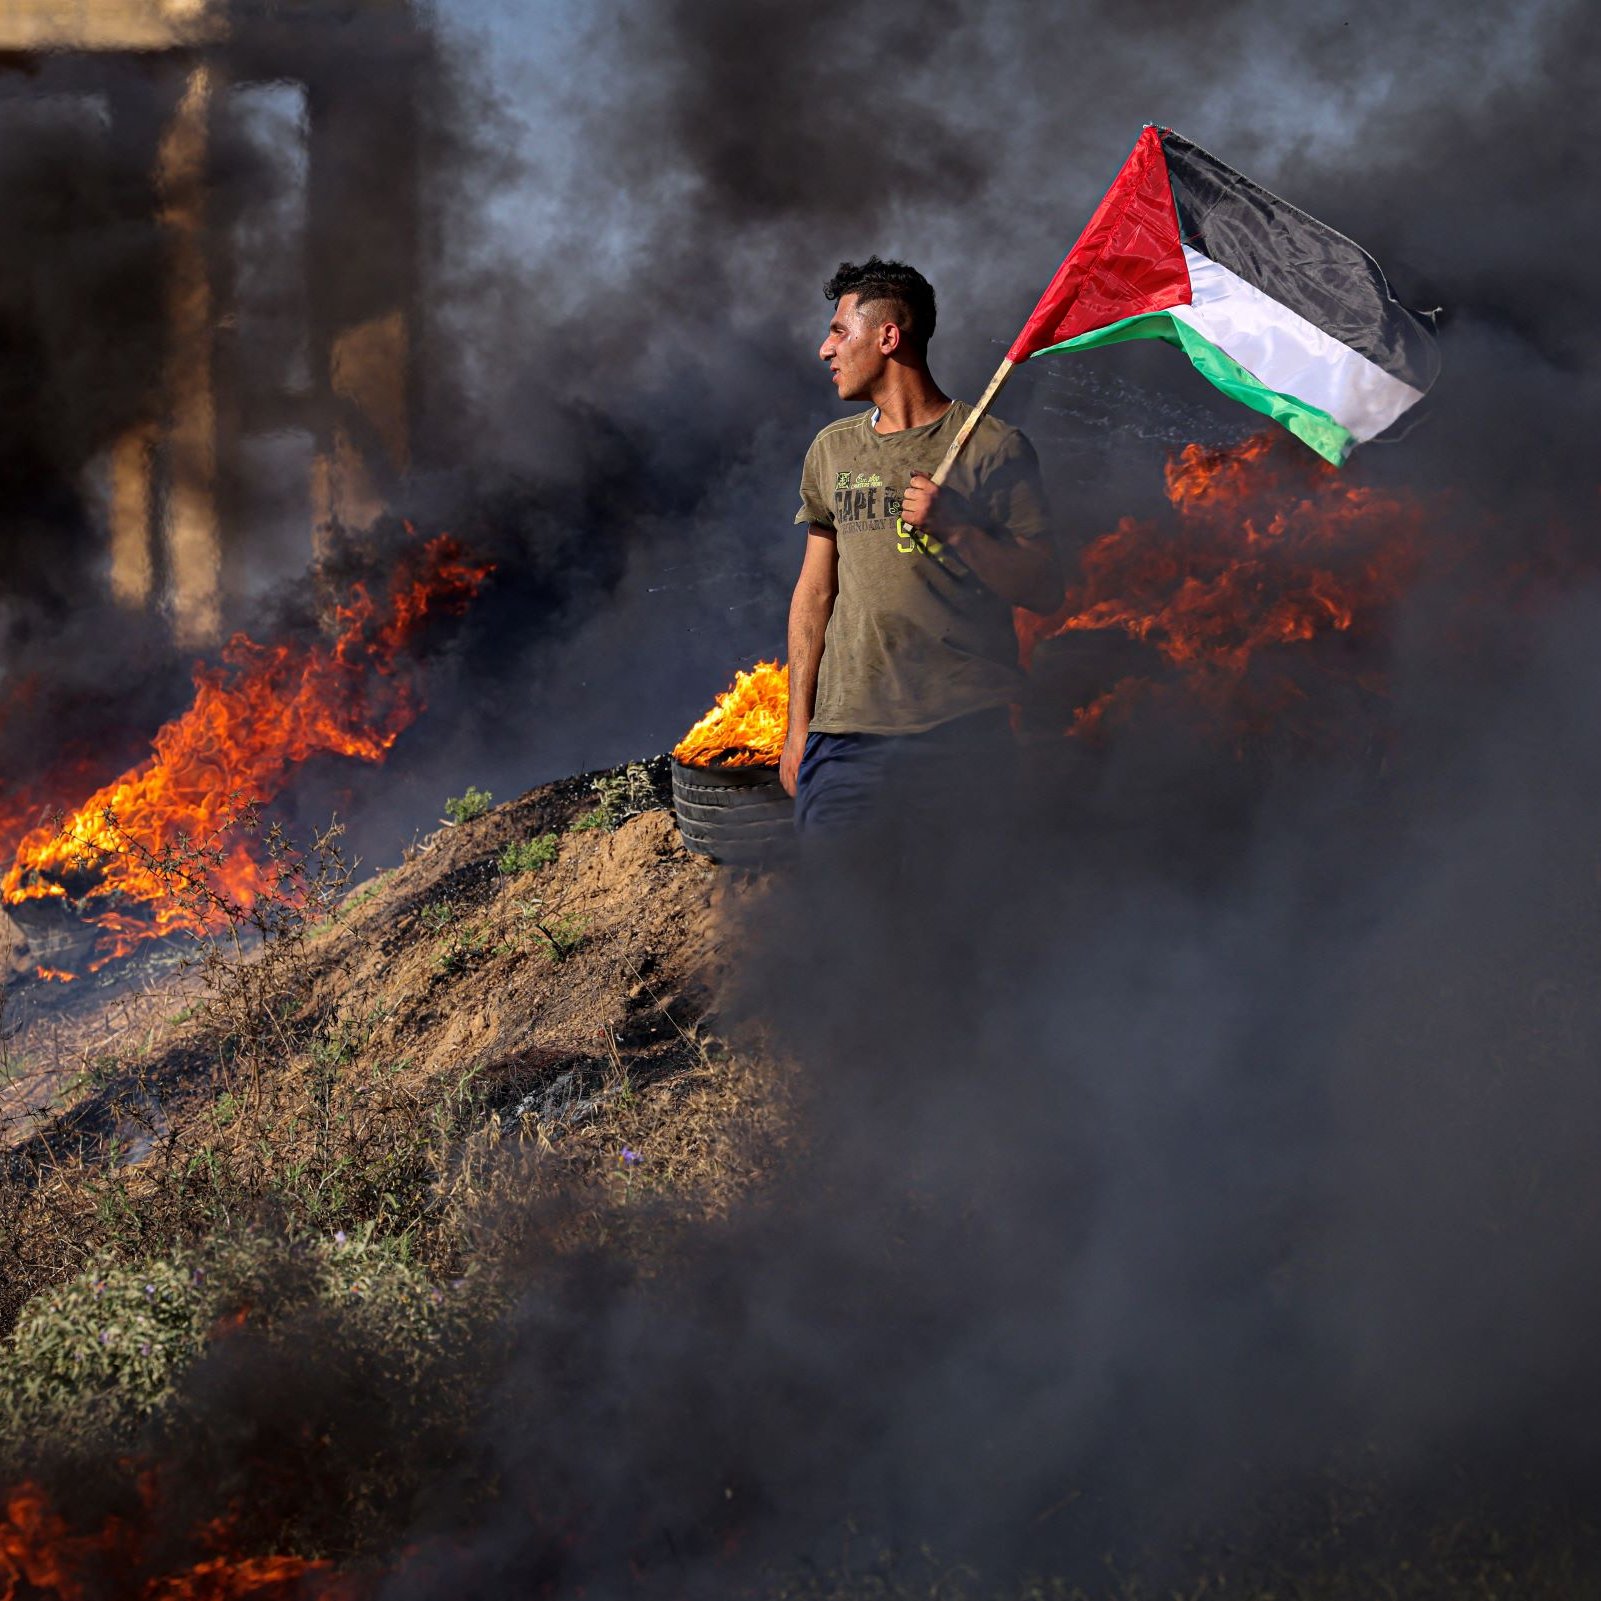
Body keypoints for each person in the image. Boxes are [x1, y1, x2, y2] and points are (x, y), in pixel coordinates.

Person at [781, 257, 1062, 836]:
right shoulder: (831, 451)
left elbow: (1044, 589)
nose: (825, 349)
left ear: (888, 337)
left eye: (839, 331)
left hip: (964, 737)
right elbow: (814, 594)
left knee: (959, 898)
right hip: (845, 741)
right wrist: (798, 728)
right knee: (839, 892)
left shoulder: (992, 446)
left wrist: (959, 528)